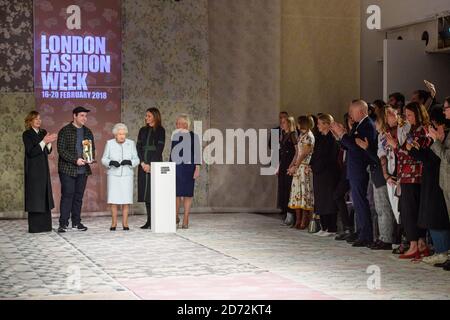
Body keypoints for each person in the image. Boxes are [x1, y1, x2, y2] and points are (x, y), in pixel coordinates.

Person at [386, 102, 432, 259]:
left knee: (410, 212)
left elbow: (411, 154)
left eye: (410, 115)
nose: (407, 118)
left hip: (413, 176)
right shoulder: (415, 130)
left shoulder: (421, 131)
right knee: (411, 211)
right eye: (406, 115)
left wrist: (395, 146)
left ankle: (414, 245)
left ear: (418, 115)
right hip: (408, 176)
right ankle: (420, 244)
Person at [331, 100, 378, 247]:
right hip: (354, 168)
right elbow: (349, 146)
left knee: (361, 203)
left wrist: (343, 134)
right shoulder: (359, 125)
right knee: (357, 204)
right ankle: (361, 231)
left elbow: (358, 147)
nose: (350, 114)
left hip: (360, 169)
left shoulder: (367, 125)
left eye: (352, 111)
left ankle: (366, 235)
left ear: (362, 112)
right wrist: (340, 136)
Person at [409, 107, 450, 265]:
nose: (431, 128)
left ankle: (443, 252)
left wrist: (435, 140)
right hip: (433, 179)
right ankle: (441, 251)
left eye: (433, 124)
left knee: (437, 217)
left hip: (439, 181)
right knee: (431, 216)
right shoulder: (440, 136)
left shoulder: (444, 135)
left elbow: (437, 158)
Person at [355, 106, 397, 250]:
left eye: (377, 121)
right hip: (378, 173)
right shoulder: (381, 136)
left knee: (384, 208)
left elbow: (378, 158)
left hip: (383, 173)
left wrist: (366, 148)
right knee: (379, 208)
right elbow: (378, 155)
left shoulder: (389, 135)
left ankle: (387, 238)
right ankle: (382, 237)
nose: (375, 124)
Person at [57, 106, 94, 233]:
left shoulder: (88, 131)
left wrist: (90, 158)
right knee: (67, 195)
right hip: (67, 169)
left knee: (78, 197)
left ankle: (76, 222)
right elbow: (61, 150)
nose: (85, 118)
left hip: (83, 170)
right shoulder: (65, 131)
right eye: (82, 115)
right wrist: (75, 160)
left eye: (86, 116)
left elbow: (91, 149)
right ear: (75, 116)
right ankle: (63, 224)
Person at [22, 111, 57, 233]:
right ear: (30, 121)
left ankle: (46, 226)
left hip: (43, 169)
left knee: (44, 196)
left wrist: (49, 142)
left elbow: (47, 152)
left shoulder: (43, 132)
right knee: (35, 197)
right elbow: (31, 152)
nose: (38, 121)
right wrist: (44, 141)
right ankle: (36, 227)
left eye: (39, 118)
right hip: (33, 171)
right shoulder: (27, 134)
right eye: (36, 119)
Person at [101, 123, 140, 231]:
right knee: (114, 200)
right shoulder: (109, 144)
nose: (122, 136)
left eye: (124, 134)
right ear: (115, 135)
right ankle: (113, 224)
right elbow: (104, 159)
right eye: (120, 134)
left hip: (127, 176)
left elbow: (137, 159)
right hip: (113, 176)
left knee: (126, 200)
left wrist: (130, 162)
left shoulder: (131, 143)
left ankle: (125, 224)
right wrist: (111, 162)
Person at [429, 97, 450, 271]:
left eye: (446, 108)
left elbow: (448, 157)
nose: (444, 111)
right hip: (446, 181)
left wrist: (436, 141)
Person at [310, 114, 340, 237]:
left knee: (328, 200)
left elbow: (331, 157)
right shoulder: (319, 137)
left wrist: (319, 167)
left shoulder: (332, 138)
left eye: (320, 123)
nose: (317, 126)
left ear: (327, 124)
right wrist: (311, 165)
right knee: (320, 200)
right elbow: (315, 154)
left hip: (328, 173)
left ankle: (331, 228)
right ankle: (324, 226)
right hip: (318, 173)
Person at [170, 114, 201, 229]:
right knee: (176, 194)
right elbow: (172, 153)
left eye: (179, 123)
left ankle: (186, 218)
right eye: (177, 123)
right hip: (177, 167)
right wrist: (170, 167)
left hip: (189, 168)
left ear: (186, 124)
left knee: (187, 194)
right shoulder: (175, 136)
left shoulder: (194, 136)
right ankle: (175, 216)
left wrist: (197, 168)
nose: (177, 125)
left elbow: (197, 153)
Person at [137, 108, 166, 229]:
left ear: (155, 116)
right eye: (146, 116)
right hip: (143, 164)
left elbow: (159, 149)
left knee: (155, 192)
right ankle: (149, 220)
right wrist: (142, 163)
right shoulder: (142, 130)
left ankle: (156, 220)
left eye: (148, 116)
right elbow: (138, 147)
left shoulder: (160, 130)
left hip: (155, 164)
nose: (146, 118)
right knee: (146, 193)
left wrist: (151, 164)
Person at [287, 116, 315, 229]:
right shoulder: (301, 136)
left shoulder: (309, 137)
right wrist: (291, 164)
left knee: (304, 193)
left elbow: (303, 154)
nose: (297, 125)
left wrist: (296, 166)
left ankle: (304, 220)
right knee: (296, 193)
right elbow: (297, 152)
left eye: (299, 123)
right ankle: (297, 220)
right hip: (298, 167)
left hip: (304, 168)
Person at [334, 113, 355, 241]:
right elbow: (344, 147)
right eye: (349, 120)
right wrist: (338, 136)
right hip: (346, 170)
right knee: (337, 195)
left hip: (354, 170)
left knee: (357, 201)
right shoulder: (348, 134)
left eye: (353, 119)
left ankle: (350, 228)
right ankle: (348, 227)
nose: (351, 122)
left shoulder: (355, 133)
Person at [278, 116, 298, 226]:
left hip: (289, 163)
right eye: (281, 122)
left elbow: (297, 151)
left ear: (289, 124)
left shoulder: (293, 134)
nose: (282, 124)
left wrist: (292, 164)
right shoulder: (284, 135)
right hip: (284, 163)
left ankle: (291, 214)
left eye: (284, 122)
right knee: (283, 188)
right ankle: (285, 211)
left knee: (289, 188)